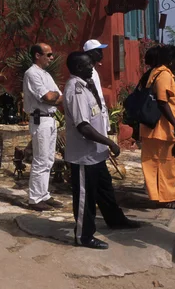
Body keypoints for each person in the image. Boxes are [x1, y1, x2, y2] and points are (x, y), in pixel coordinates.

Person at [64, 52, 140, 249]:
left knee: (105, 190)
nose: (93, 67)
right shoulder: (76, 89)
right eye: (89, 65)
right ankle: (84, 236)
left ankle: (116, 220)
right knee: (85, 197)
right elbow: (83, 126)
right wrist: (110, 142)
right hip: (84, 156)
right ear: (79, 68)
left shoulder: (86, 84)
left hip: (96, 154)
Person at [139, 45, 175, 209]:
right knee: (166, 164)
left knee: (156, 163)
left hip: (155, 128)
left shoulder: (156, 73)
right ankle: (167, 197)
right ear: (170, 60)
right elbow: (162, 102)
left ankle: (160, 195)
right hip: (161, 129)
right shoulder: (163, 75)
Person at [23, 43, 65, 212]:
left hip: (50, 118)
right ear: (37, 55)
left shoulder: (46, 74)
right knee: (40, 159)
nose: (51, 58)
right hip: (40, 119)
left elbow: (59, 96)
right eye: (48, 55)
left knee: (49, 159)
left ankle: (44, 193)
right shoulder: (32, 74)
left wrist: (52, 97)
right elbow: (48, 96)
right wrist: (52, 97)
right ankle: (34, 198)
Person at [82, 39, 110, 134]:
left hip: (100, 112)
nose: (101, 53)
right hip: (94, 114)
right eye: (98, 51)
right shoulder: (87, 72)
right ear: (90, 53)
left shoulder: (94, 70)